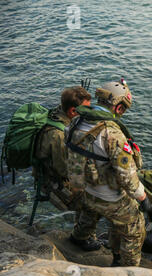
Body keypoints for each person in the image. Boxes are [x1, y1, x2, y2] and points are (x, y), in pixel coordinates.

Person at [65, 79, 152, 267]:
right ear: (118, 108)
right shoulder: (112, 134)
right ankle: (125, 265)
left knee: (90, 209)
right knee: (134, 226)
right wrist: (143, 197)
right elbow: (126, 176)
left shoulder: (75, 122)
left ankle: (79, 237)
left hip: (84, 190)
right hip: (108, 198)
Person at [33, 86, 103, 250]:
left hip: (51, 175)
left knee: (91, 189)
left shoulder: (57, 115)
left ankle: (84, 231)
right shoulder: (58, 134)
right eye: (85, 109)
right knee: (98, 201)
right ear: (73, 111)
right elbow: (65, 170)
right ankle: (81, 237)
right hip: (52, 184)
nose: (89, 113)